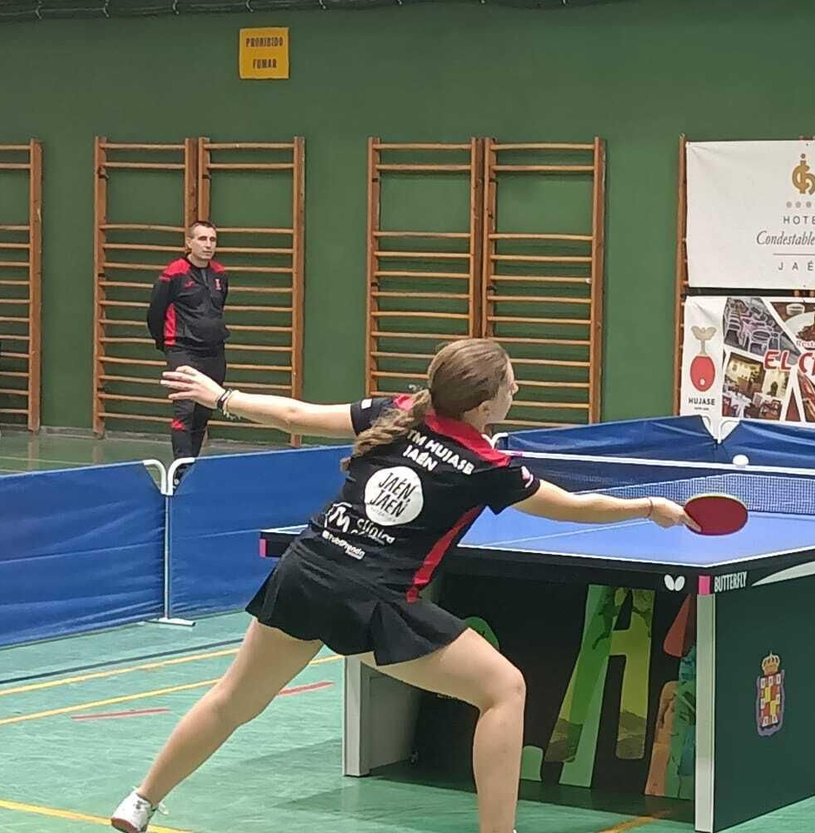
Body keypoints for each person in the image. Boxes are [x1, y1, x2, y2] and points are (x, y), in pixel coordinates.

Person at [110, 339, 696, 833]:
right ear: (484, 404)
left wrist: (223, 397)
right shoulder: (488, 468)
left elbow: (294, 416)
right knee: (505, 689)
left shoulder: (394, 411)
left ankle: (138, 801)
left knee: (232, 702)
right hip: (373, 601)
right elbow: (571, 508)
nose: (516, 392)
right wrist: (648, 508)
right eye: (511, 386)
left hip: (307, 570)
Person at [146, 220, 229, 459]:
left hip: (214, 352)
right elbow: (155, 313)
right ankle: (180, 469)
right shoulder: (174, 273)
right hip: (182, 350)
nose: (208, 245)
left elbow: (218, 309)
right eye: (202, 239)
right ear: (189, 242)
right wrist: (168, 346)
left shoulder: (220, 275)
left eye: (212, 240)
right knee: (185, 409)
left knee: (205, 409)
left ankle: (192, 464)